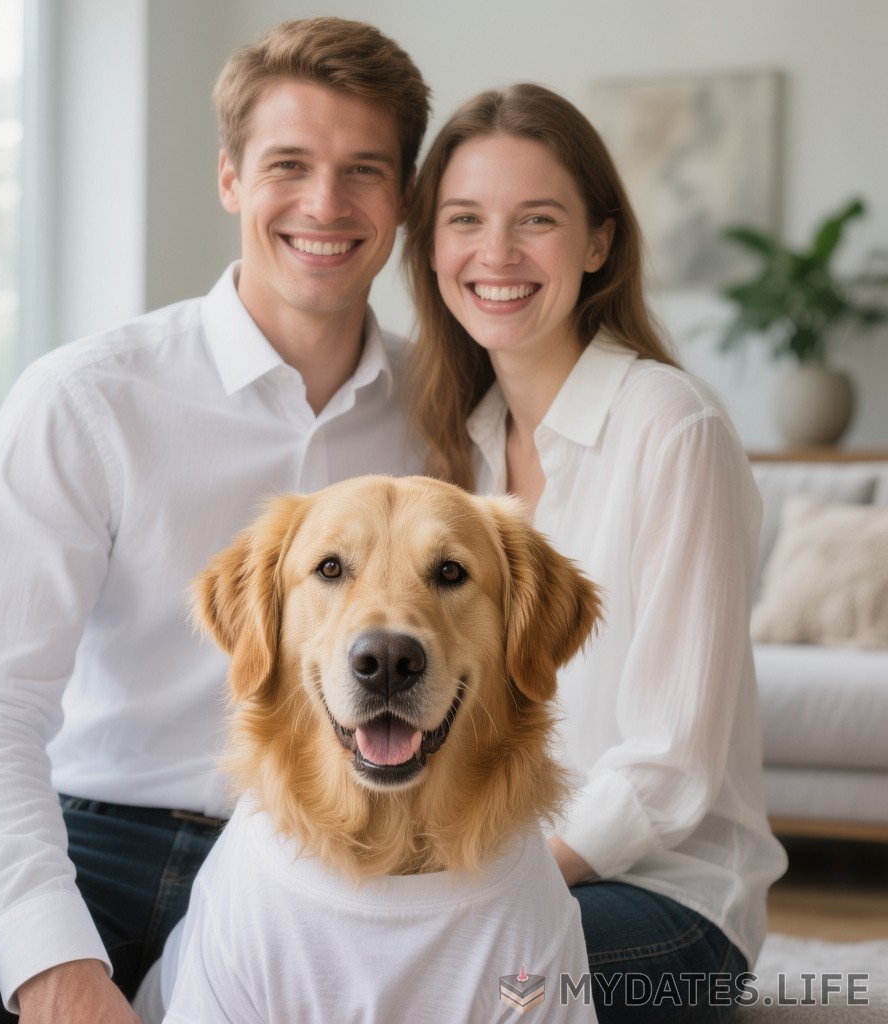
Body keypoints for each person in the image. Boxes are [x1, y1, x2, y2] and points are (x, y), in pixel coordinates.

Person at [0, 17, 430, 1024]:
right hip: (92, 830)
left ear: (404, 199)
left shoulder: (445, 410)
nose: (324, 204)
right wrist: (51, 963)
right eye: (288, 164)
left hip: (338, 839)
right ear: (229, 178)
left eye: (364, 171)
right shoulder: (89, 396)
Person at [403, 82, 788, 1022]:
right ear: (433, 247)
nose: (496, 254)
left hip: (670, 899)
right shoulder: (460, 450)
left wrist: (476, 889)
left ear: (599, 243)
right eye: (466, 220)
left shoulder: (671, 426)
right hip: (507, 862)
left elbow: (670, 766)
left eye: (536, 220)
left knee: (447, 984)